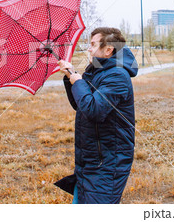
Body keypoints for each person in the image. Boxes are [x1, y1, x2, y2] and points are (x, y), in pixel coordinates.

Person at [54, 27, 138, 204]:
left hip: (108, 163)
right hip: (90, 161)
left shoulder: (118, 76)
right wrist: (71, 76)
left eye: (93, 45)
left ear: (108, 50)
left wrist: (78, 80)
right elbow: (81, 105)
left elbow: (94, 110)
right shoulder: (97, 71)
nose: (89, 49)